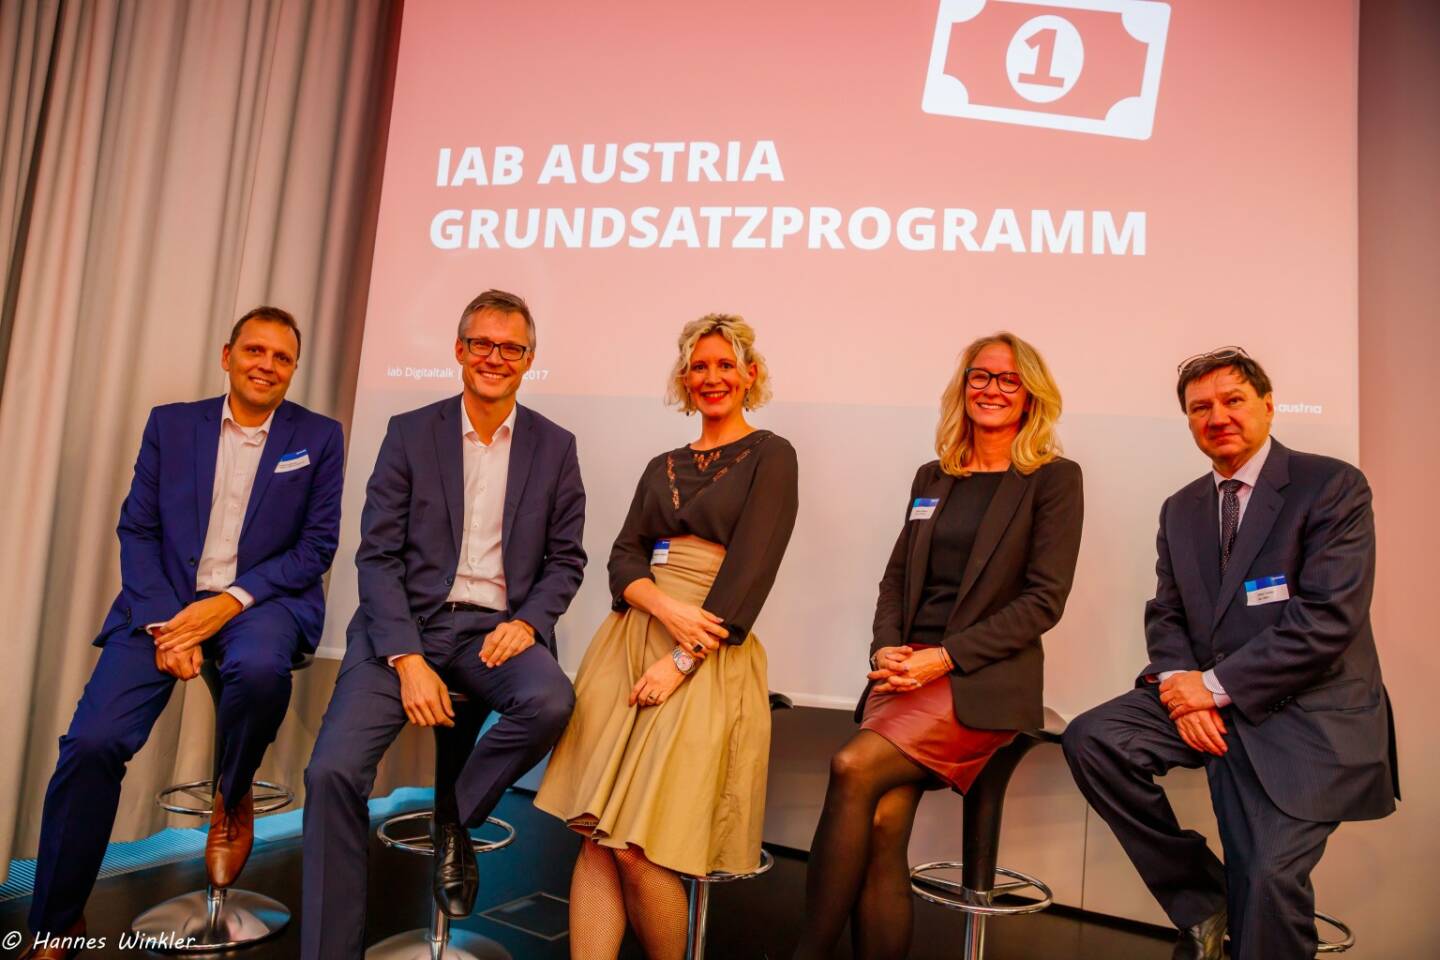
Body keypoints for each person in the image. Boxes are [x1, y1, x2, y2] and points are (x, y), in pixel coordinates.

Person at [20, 307, 344, 960]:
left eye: (282, 357)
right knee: (92, 742)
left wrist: (227, 604)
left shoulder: (319, 436)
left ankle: (234, 792)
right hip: (162, 605)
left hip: (263, 602)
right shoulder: (171, 425)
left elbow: (316, 547)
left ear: (293, 370)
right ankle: (55, 923)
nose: (266, 365)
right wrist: (172, 627)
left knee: (256, 673)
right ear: (227, 355)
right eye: (255, 350)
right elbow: (137, 529)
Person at [1062, 347, 1399, 960]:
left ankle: (1239, 910)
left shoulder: (1331, 487)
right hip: (1209, 699)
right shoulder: (1182, 507)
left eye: (1232, 400)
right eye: (1200, 408)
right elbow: (1168, 612)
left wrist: (1212, 688)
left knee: (1267, 880)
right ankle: (1204, 901)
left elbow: (1328, 618)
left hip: (1306, 717)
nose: (1216, 416)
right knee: (1094, 739)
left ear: (1268, 406)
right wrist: (1180, 687)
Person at [300, 289, 585, 960]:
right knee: (331, 774)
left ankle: (457, 816)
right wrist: (405, 657)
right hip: (401, 627)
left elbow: (566, 558)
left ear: (528, 360)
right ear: (460, 351)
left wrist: (532, 622)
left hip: (494, 633)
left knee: (550, 701)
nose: (494, 357)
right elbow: (377, 555)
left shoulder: (555, 446)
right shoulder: (410, 431)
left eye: (509, 348)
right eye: (481, 344)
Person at [792, 332, 1082, 960]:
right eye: (981, 377)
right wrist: (885, 649)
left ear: (1031, 394)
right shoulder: (935, 475)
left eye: (1008, 379)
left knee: (850, 766)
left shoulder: (1052, 480)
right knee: (881, 824)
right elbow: (897, 577)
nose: (992, 389)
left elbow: (1043, 602)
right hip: (907, 675)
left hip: (980, 679)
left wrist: (943, 657)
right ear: (963, 387)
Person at [534, 313, 798, 960]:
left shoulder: (772, 454)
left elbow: (749, 575)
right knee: (596, 833)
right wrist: (658, 604)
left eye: (725, 365)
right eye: (699, 366)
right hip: (628, 642)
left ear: (750, 374)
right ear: (684, 378)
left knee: (638, 846)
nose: (712, 377)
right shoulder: (664, 464)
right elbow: (624, 555)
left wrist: (681, 655)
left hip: (705, 654)